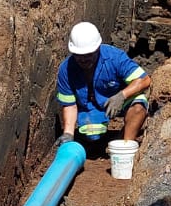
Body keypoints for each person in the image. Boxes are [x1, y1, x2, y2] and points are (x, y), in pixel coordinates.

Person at [56, 21, 151, 150]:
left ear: (97, 49)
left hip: (120, 100)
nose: (83, 60)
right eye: (79, 56)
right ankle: (104, 135)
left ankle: (126, 146)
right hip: (92, 106)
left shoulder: (115, 58)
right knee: (92, 135)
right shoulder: (66, 70)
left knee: (138, 108)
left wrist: (122, 96)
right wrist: (68, 133)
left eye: (88, 55)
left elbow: (144, 80)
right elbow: (69, 105)